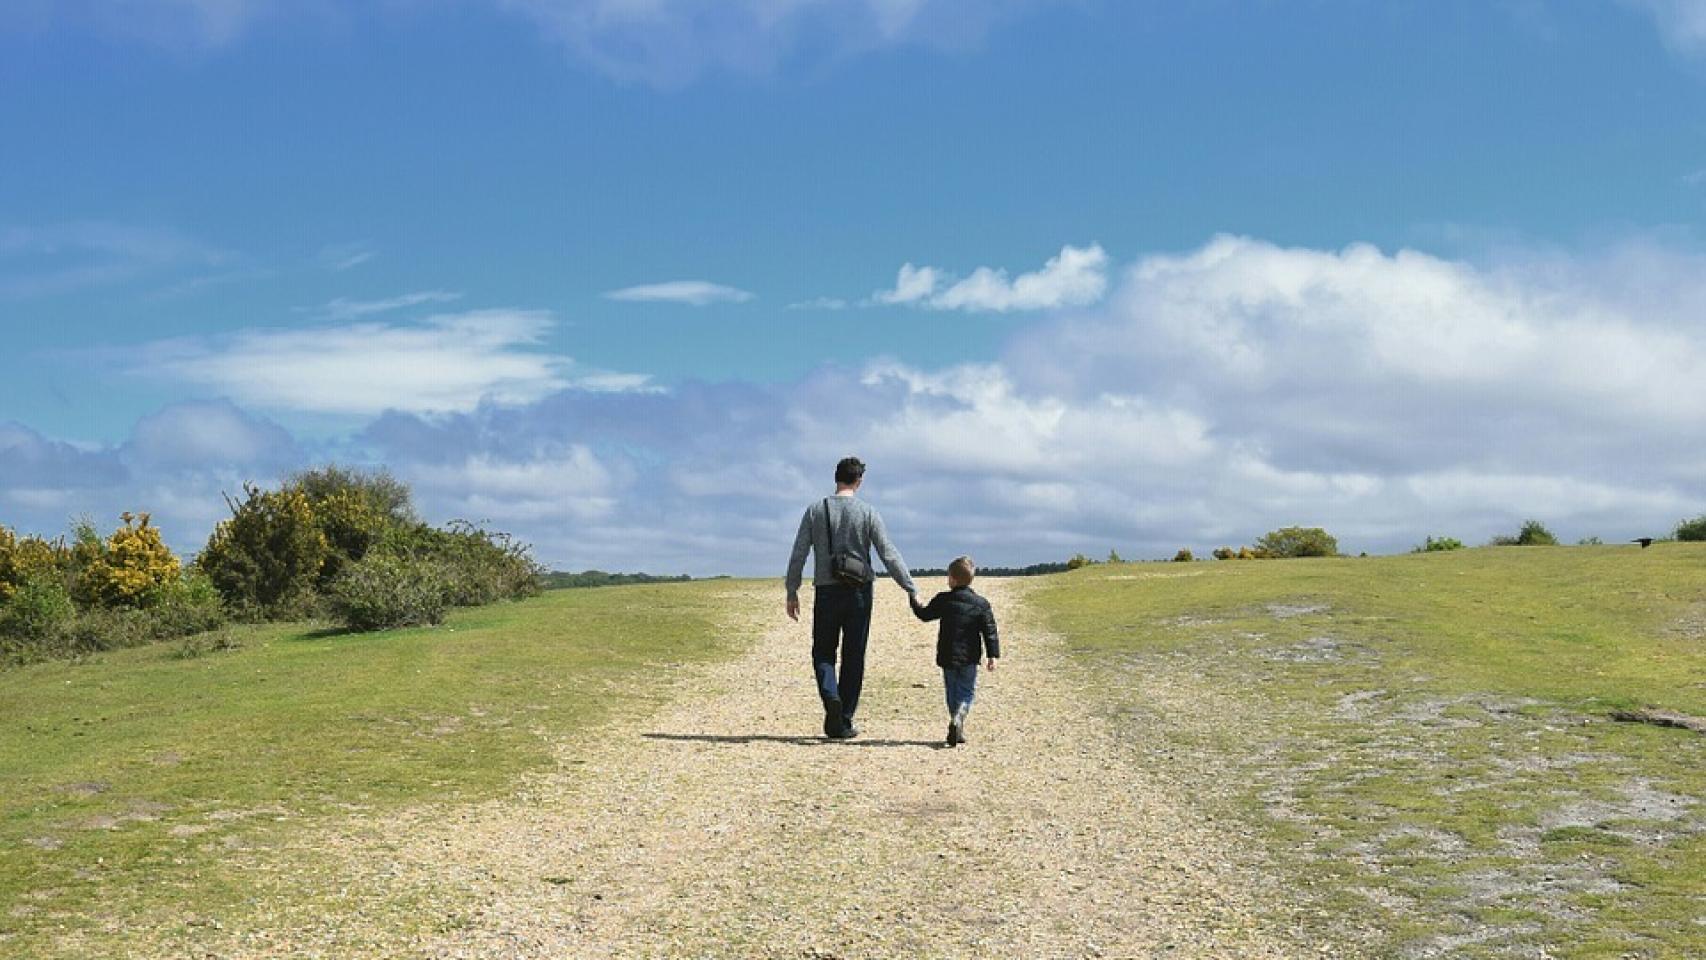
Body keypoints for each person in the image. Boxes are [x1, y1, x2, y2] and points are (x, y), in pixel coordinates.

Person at [785, 456, 918, 739]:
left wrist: (792, 590)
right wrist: (909, 586)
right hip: (859, 592)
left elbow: (799, 553)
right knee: (854, 655)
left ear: (836, 478)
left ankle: (830, 695)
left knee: (823, 651)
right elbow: (888, 552)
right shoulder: (868, 512)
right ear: (859, 481)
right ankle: (843, 719)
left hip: (826, 590)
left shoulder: (815, 510)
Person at [909, 555, 1000, 747]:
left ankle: (955, 721)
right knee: (966, 691)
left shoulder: (944, 600)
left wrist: (914, 599)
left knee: (951, 691)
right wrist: (993, 655)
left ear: (953, 579)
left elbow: (925, 615)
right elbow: (990, 631)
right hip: (970, 657)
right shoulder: (981, 604)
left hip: (948, 655)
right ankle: (959, 719)